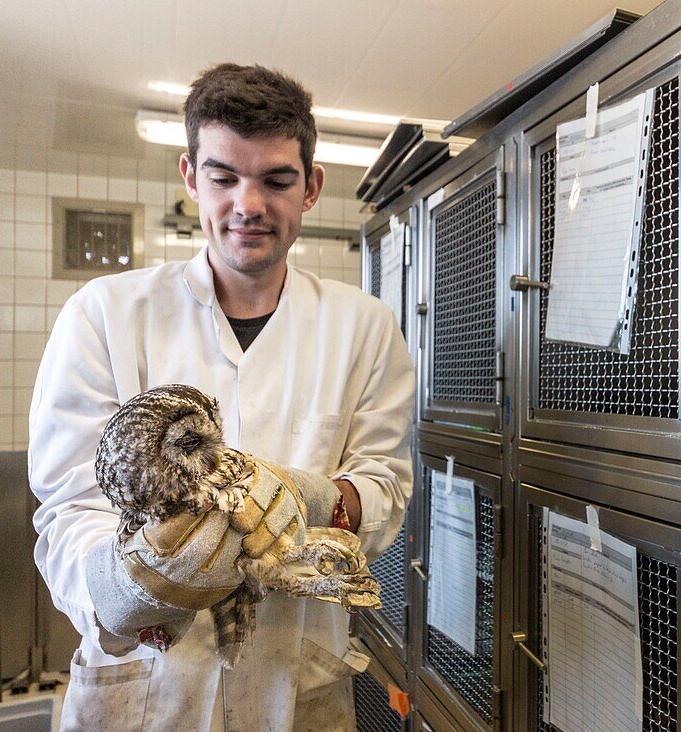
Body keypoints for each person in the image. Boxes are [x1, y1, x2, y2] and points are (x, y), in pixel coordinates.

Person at [28, 63, 414, 731]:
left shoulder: (365, 326)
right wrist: (128, 590)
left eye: (275, 179)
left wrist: (318, 499)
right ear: (189, 176)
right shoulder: (103, 313)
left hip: (300, 686)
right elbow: (68, 504)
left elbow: (385, 487)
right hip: (144, 691)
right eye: (224, 177)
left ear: (312, 186)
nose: (248, 204)